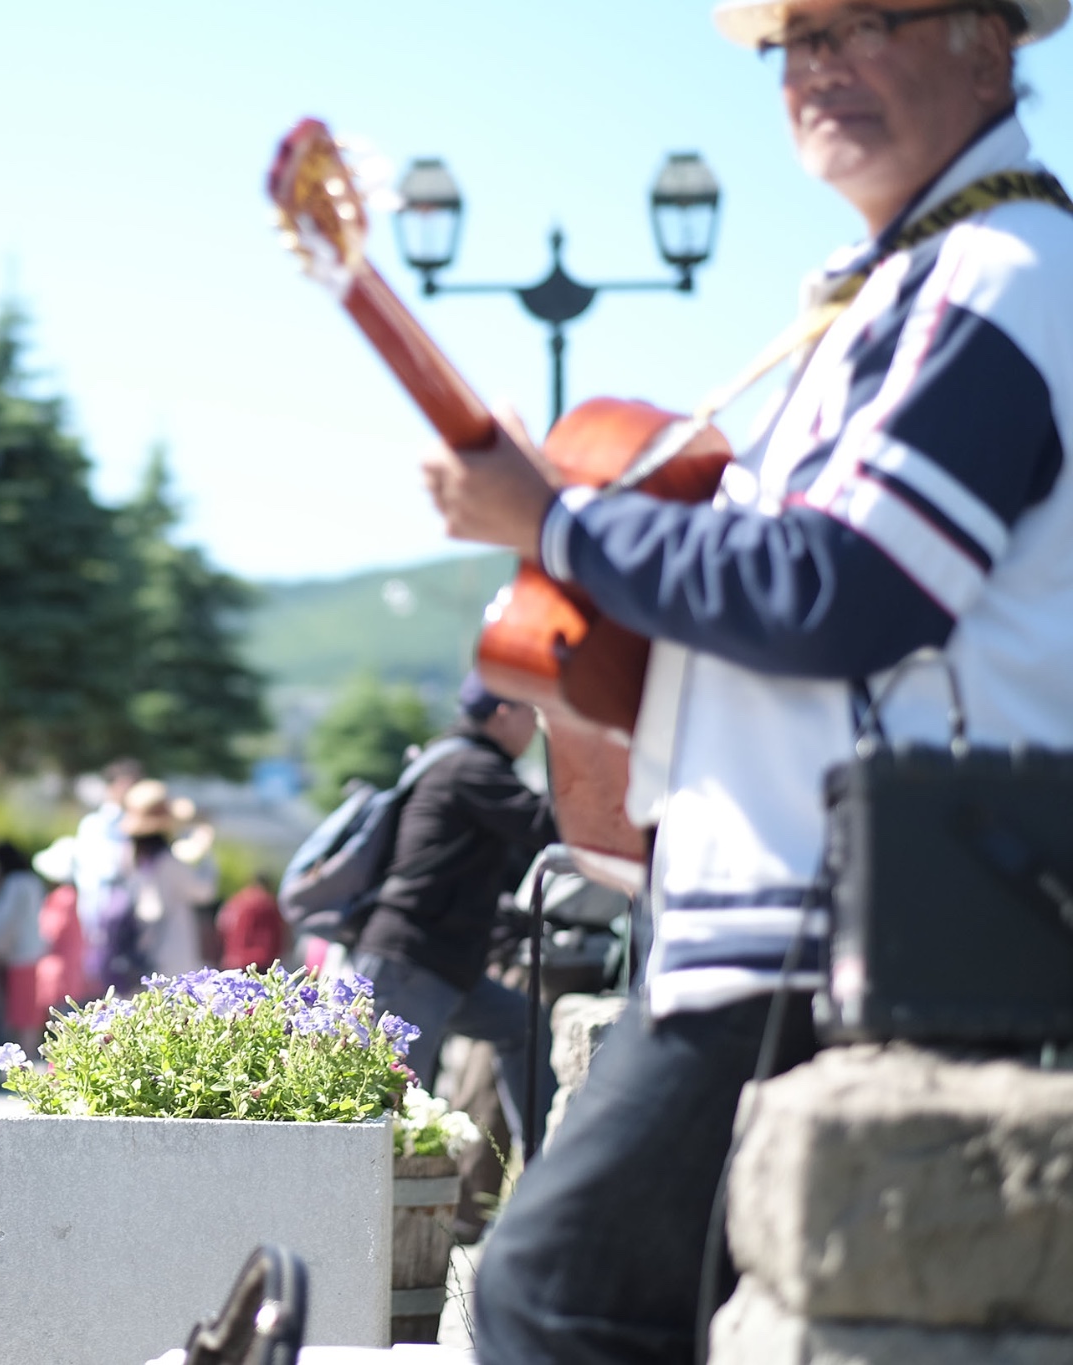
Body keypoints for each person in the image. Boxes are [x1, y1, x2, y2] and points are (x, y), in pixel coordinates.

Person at [415, 3, 1073, 1357]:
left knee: (552, 1291)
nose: (821, 62)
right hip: (818, 922)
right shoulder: (927, 280)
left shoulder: (997, 277)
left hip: (846, 935)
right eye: (798, 39)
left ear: (993, 39)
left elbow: (840, 592)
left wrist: (560, 525)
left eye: (866, 21)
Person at [349, 673, 558, 1152]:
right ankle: (373, 1225)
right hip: (411, 963)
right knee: (384, 1114)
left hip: (440, 965)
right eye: (533, 713)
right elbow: (546, 823)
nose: (536, 726)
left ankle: (542, 1167)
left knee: (523, 1026)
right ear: (503, 713)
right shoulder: (470, 767)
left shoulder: (456, 762)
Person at [119, 780, 218, 984]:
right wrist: (207, 856)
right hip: (171, 949)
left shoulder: (130, 857)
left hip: (139, 946)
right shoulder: (168, 862)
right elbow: (204, 891)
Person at [0, 841, 51, 1050]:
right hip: (33, 951)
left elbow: (4, 919)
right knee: (28, 1011)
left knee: (19, 1012)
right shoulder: (32, 881)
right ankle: (28, 1054)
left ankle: (21, 1058)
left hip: (20, 954)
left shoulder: (15, 882)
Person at [72, 758, 143, 937]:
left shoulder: (136, 825)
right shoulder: (96, 824)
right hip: (102, 913)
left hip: (132, 916)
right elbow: (108, 870)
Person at [30, 836, 100, 1015]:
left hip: (61, 974)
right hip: (72, 972)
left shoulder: (63, 898)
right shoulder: (75, 895)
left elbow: (50, 933)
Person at [216, 874, 289, 971]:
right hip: (259, 960)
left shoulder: (235, 901)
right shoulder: (266, 903)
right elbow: (277, 932)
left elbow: (222, 926)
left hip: (232, 960)